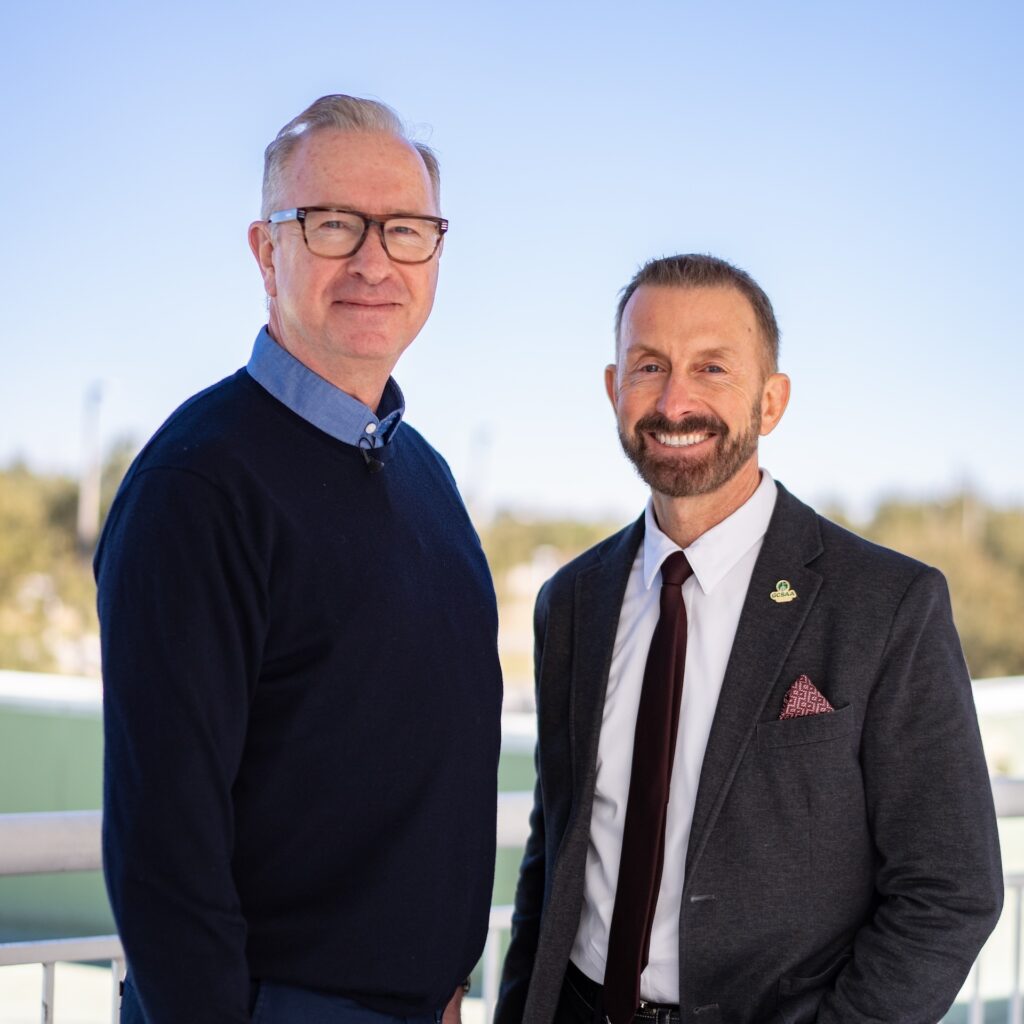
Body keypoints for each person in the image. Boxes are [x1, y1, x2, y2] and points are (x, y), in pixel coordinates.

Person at [495, 254, 1003, 1024]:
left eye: (712, 368)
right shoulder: (571, 603)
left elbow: (952, 888)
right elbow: (555, 850)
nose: (675, 400)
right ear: (613, 389)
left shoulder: (888, 605)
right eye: (650, 365)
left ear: (772, 400)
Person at [95, 95, 502, 1024]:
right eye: (331, 225)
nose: (372, 260)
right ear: (265, 249)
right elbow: (164, 849)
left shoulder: (426, 476)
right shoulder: (198, 484)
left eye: (404, 229)